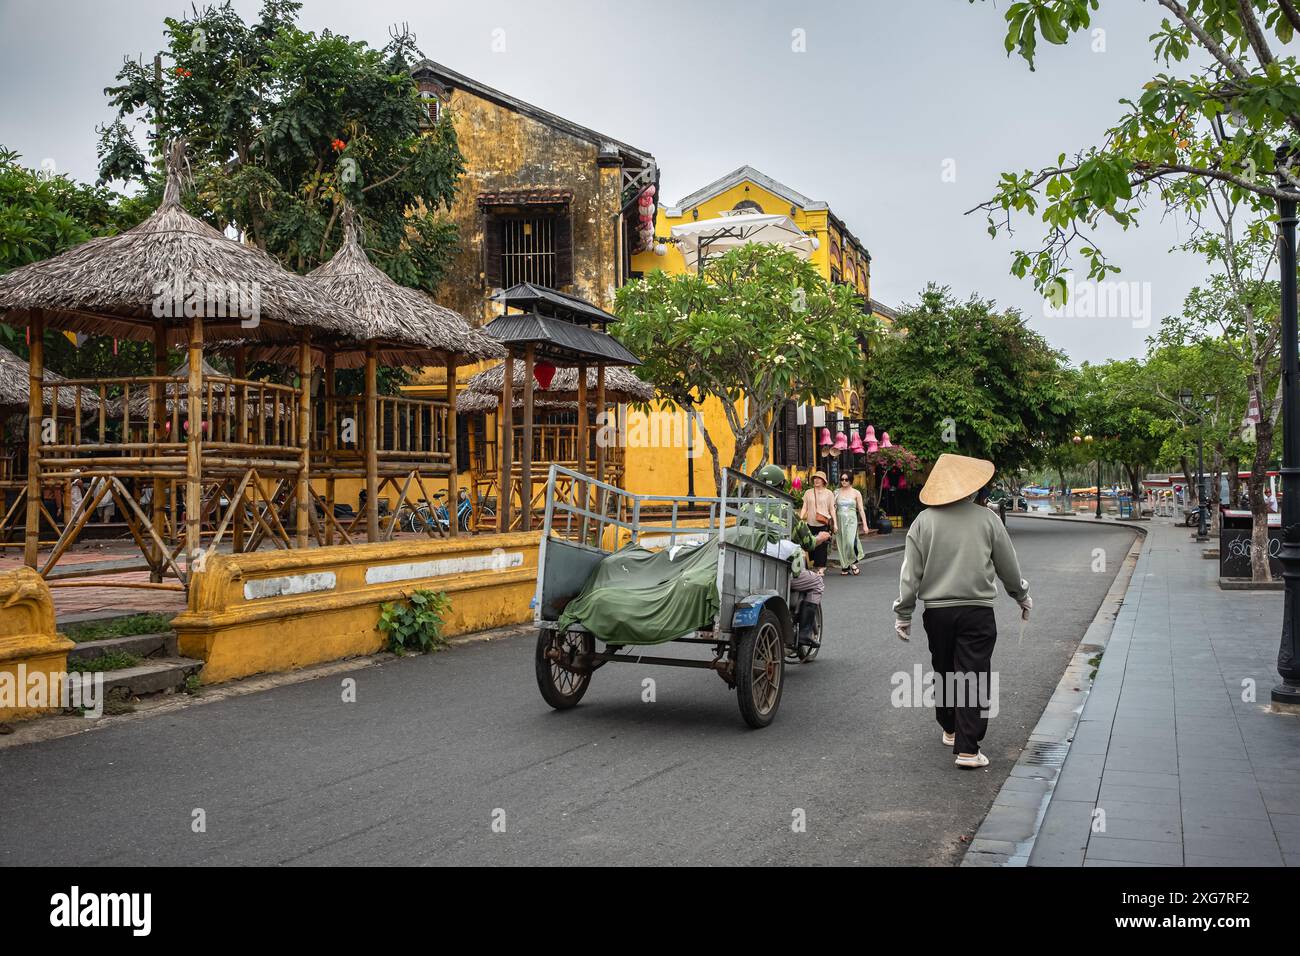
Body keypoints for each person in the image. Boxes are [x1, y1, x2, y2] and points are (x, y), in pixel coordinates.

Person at [892, 453, 1033, 770]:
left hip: (937, 612)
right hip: (976, 610)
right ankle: (968, 749)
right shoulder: (987, 520)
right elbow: (1008, 567)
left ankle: (950, 727)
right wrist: (1021, 595)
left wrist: (904, 613)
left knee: (943, 668)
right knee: (972, 675)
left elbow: (909, 574)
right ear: (971, 488)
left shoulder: (922, 522)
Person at [754, 464, 829, 647]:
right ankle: (804, 632)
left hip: (750, 570)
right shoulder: (785, 510)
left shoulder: (747, 507)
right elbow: (808, 543)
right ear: (781, 486)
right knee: (817, 582)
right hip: (778, 573)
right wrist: (821, 537)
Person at [799, 470, 835, 575]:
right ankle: (815, 564)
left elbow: (832, 509)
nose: (816, 480)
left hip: (823, 523)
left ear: (823, 481)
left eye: (819, 478)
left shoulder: (829, 493)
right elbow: (804, 506)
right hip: (810, 523)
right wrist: (800, 518)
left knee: (822, 546)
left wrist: (835, 524)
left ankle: (821, 567)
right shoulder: (808, 492)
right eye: (815, 478)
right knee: (811, 546)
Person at [833, 471, 867, 575]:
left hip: (851, 520)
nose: (844, 481)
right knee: (841, 542)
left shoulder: (856, 493)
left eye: (846, 479)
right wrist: (833, 523)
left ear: (851, 480)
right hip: (839, 520)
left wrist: (865, 524)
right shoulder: (836, 492)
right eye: (842, 479)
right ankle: (845, 566)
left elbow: (861, 509)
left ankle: (852, 563)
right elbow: (832, 509)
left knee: (850, 542)